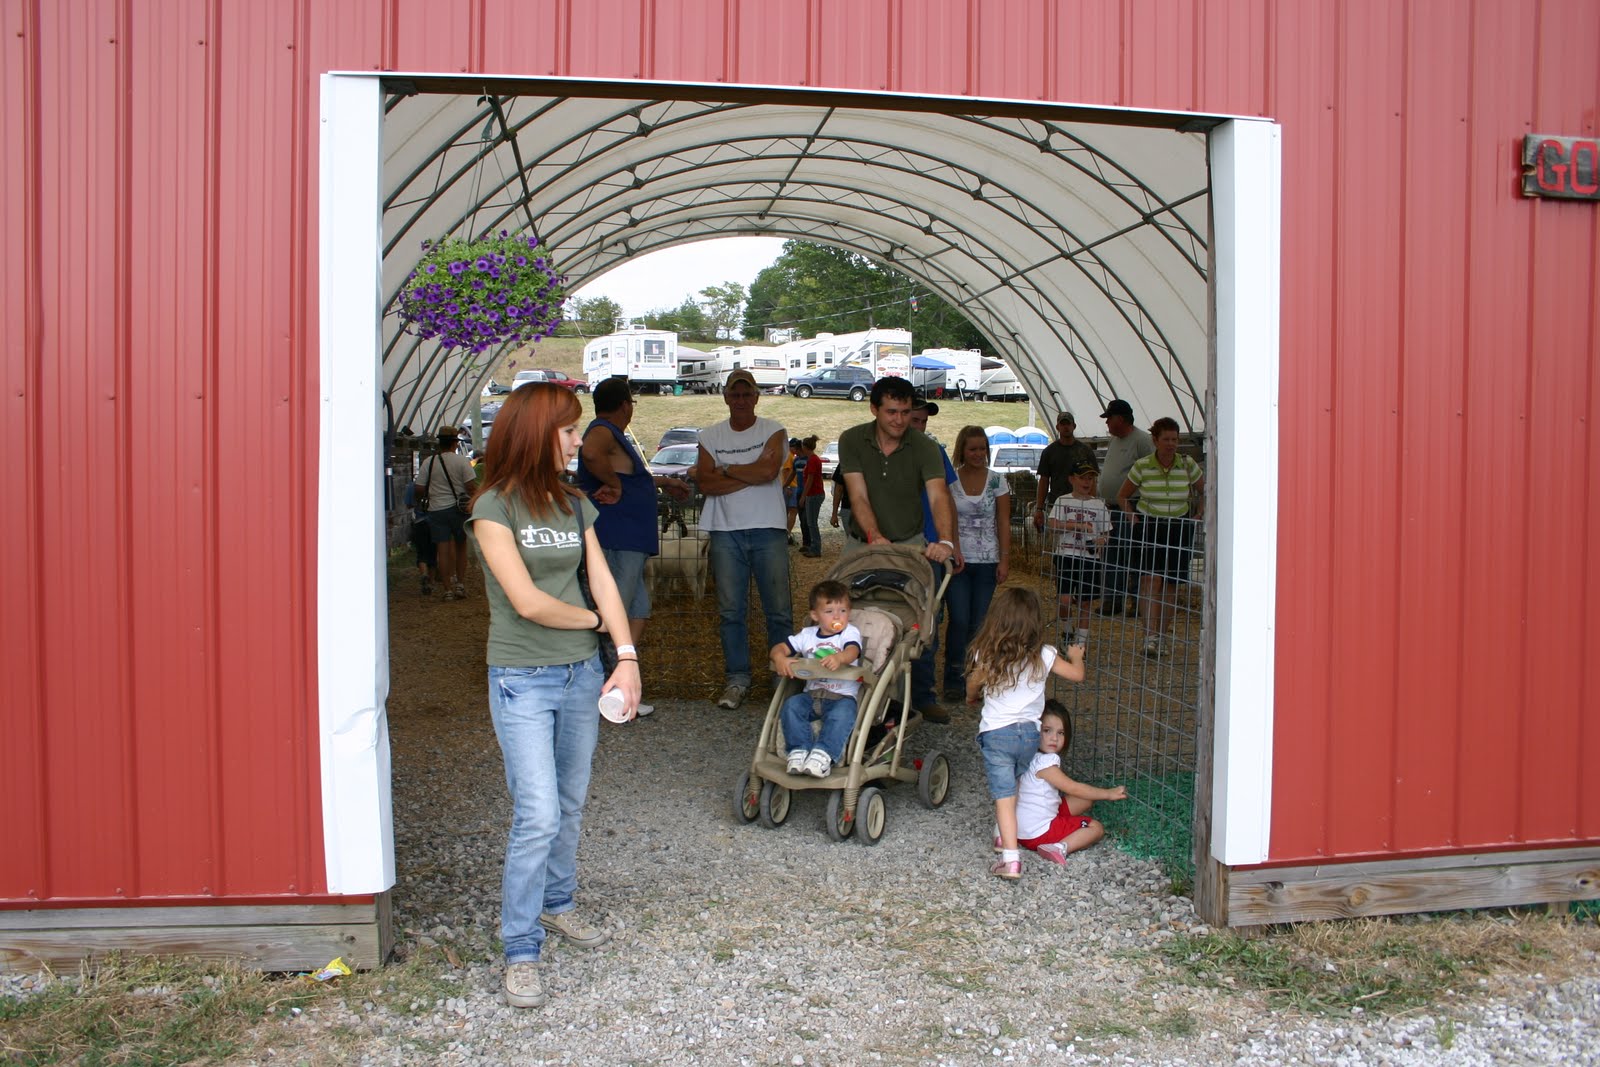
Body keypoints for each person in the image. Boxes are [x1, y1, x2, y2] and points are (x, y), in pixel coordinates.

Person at [466, 382, 642, 1010]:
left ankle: (557, 904)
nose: (578, 440)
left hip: (579, 678)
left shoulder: (573, 505)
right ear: (535, 432)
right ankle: (519, 946)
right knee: (536, 812)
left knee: (569, 801)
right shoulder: (493, 507)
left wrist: (626, 659)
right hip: (522, 679)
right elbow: (530, 603)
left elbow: (603, 581)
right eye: (568, 431)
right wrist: (596, 623)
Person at [838, 379, 960, 722]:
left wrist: (946, 542)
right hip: (863, 543)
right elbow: (858, 495)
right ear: (874, 409)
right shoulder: (852, 440)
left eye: (906, 412)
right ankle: (845, 691)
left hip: (909, 543)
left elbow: (938, 496)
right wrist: (875, 536)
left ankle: (919, 698)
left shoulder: (925, 447)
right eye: (891, 412)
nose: (899, 420)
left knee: (920, 625)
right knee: (845, 614)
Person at [575, 377, 691, 718]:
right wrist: (611, 483)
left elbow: (631, 479)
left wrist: (666, 481)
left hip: (631, 540)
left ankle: (620, 679)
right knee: (614, 613)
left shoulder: (616, 437)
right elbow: (591, 452)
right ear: (625, 405)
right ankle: (605, 690)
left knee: (638, 610)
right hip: (617, 537)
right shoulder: (603, 430)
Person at [964, 586, 1085, 880]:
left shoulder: (987, 652)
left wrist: (971, 697)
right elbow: (1077, 675)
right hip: (1029, 737)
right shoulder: (1044, 654)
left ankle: (1010, 859)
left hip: (997, 734)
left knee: (1003, 795)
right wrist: (1076, 655)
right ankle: (1000, 833)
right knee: (1014, 783)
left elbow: (972, 686)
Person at [693, 369, 794, 710]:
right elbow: (705, 484)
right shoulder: (709, 435)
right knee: (731, 611)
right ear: (725, 397)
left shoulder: (774, 429)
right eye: (734, 394)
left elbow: (768, 472)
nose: (740, 400)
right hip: (724, 530)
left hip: (768, 527)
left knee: (778, 610)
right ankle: (737, 679)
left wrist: (724, 468)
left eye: (746, 394)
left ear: (755, 397)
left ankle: (782, 677)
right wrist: (747, 470)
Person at [1117, 416, 1205, 658]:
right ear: (1155, 440)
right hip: (1150, 524)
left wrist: (1199, 511)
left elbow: (1204, 489)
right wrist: (1131, 516)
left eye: (1175, 439)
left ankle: (1163, 635)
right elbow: (1122, 495)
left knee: (1171, 583)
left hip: (1178, 525)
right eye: (1166, 439)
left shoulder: (1187, 465)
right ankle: (1150, 636)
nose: (1171, 444)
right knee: (1150, 581)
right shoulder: (1143, 466)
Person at [1014, 700, 1127, 863]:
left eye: (1061, 733)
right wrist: (1108, 794)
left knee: (1086, 799)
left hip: (1022, 828)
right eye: (1047, 730)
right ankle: (1058, 847)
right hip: (1038, 833)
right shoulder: (1045, 764)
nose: (1054, 738)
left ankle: (1058, 829)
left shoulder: (1029, 755)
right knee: (1096, 828)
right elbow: (1073, 788)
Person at [943, 425, 1010, 700]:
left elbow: (1003, 521)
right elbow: (948, 519)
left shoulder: (998, 481)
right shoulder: (950, 481)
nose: (978, 454)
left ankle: (975, 676)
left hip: (987, 560)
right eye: (973, 449)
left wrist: (1004, 559)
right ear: (962, 450)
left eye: (982, 448)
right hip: (959, 560)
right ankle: (953, 677)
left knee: (979, 622)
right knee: (958, 619)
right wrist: (954, 549)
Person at [771, 579, 863, 779]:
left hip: (841, 697)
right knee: (791, 706)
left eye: (843, 611)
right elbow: (780, 648)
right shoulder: (807, 635)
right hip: (811, 695)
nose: (837, 616)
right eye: (829, 612)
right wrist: (779, 658)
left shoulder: (849, 633)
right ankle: (799, 750)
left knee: (842, 716)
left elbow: (853, 650)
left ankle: (824, 754)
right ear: (815, 615)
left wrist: (840, 658)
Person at [907, 398, 962, 718]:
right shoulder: (886, 452)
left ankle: (923, 695)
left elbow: (947, 498)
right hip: (899, 549)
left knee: (929, 622)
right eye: (915, 420)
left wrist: (953, 544)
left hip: (931, 551)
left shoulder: (934, 451)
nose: (919, 427)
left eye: (923, 421)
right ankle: (888, 694)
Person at [1097, 399, 1153, 617]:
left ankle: (1136, 601)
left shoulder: (1141, 440)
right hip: (1111, 508)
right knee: (1111, 555)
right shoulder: (1115, 440)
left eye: (1109, 418)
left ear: (1120, 419)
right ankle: (1112, 599)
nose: (1107, 423)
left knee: (1131, 554)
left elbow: (1149, 472)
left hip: (1130, 507)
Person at [1046, 460, 1111, 648]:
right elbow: (1052, 525)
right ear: (1071, 479)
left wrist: (1101, 541)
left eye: (1090, 478)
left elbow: (1106, 534)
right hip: (1066, 555)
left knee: (1086, 602)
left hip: (1089, 559)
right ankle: (1067, 631)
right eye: (1082, 478)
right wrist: (1076, 525)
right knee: (1064, 599)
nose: (1087, 482)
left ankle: (1080, 644)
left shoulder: (1099, 505)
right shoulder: (1063, 500)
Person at [419, 425, 478, 600]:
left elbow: (419, 488)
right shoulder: (461, 461)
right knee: (461, 547)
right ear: (454, 443)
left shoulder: (428, 463)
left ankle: (447, 590)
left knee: (442, 550)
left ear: (440, 443)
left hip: (436, 510)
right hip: (458, 510)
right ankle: (460, 584)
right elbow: (470, 486)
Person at [1032, 411, 1095, 535]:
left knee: (1081, 540)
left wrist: (1092, 503)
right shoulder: (1049, 452)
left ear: (1074, 426)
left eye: (1068, 424)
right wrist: (1039, 508)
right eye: (1063, 424)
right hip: (1057, 505)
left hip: (1081, 504)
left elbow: (1093, 480)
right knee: (1058, 542)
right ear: (1057, 427)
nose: (1066, 427)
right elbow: (1044, 480)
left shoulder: (1085, 451)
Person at [404, 479, 436, 596]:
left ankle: (424, 574)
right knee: (433, 552)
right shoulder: (436, 484)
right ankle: (432, 582)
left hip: (419, 522)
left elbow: (408, 504)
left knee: (421, 552)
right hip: (434, 522)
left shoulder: (413, 486)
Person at [798, 435, 826, 558]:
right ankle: (813, 546)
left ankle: (816, 548)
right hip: (813, 494)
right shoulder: (812, 459)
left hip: (814, 494)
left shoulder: (813, 460)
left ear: (805, 447)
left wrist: (804, 496)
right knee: (811, 522)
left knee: (812, 523)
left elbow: (810, 479)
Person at [783, 437, 804, 545]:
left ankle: (786, 533)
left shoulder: (791, 456)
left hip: (792, 486)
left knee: (789, 511)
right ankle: (787, 534)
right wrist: (788, 487)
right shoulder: (788, 456)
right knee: (792, 511)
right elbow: (786, 471)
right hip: (792, 486)